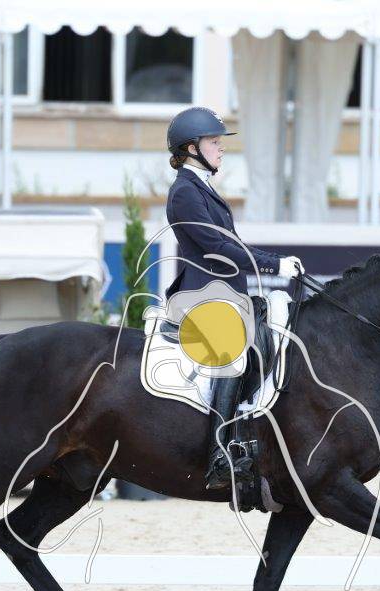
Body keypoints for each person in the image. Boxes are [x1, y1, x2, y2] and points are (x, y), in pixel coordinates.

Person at [163, 106, 304, 492]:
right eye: (214, 142)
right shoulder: (185, 192)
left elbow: (234, 244)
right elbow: (217, 247)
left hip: (225, 294)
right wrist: (274, 264)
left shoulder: (202, 188)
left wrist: (275, 262)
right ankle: (218, 455)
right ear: (191, 148)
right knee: (234, 351)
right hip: (202, 295)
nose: (221, 148)